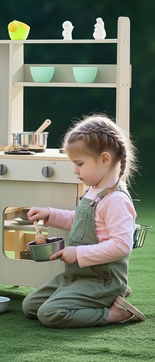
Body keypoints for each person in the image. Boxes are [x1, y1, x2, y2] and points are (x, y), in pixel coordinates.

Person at [24, 114, 145, 328]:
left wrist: (77, 253)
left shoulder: (116, 200)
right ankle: (103, 298)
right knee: (30, 306)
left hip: (101, 279)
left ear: (105, 160)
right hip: (77, 276)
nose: (75, 170)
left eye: (79, 163)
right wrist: (50, 214)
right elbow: (80, 220)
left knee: (49, 314)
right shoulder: (94, 190)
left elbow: (122, 245)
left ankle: (115, 312)